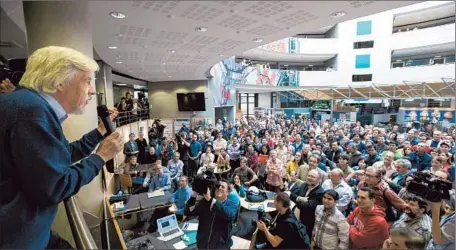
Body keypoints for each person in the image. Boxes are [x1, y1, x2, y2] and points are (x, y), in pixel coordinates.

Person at [0, 46, 124, 249]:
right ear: (59, 83)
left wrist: (98, 133)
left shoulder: (29, 105)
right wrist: (101, 156)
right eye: (87, 81)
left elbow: (62, 155)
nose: (92, 90)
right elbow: (56, 187)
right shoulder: (32, 113)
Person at [184, 180, 238, 249]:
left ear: (227, 192)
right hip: (203, 242)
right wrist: (193, 196)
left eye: (223, 187)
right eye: (218, 186)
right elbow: (188, 212)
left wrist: (211, 200)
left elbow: (228, 215)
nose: (219, 188)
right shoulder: (205, 202)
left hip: (220, 245)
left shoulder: (232, 204)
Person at [290, 169, 324, 239]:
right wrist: (300, 198)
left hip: (308, 221)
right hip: (297, 215)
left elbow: (307, 206)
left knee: (303, 239)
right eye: (309, 175)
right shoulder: (304, 184)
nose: (310, 178)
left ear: (319, 180)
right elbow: (291, 194)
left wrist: (297, 199)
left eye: (313, 177)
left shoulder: (320, 192)